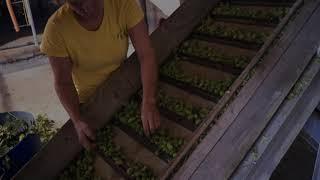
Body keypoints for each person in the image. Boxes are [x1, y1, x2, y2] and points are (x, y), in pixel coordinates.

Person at [40, 0, 160, 150]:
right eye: (75, 3)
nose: (85, 7)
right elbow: (63, 83)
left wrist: (149, 100)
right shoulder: (56, 29)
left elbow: (146, 54)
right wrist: (77, 121)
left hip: (124, 84)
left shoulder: (122, 4)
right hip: (91, 101)